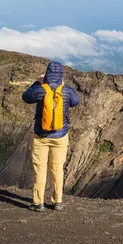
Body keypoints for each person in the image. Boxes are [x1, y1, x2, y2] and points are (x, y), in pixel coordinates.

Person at [22, 61, 80, 211]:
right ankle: (57, 201)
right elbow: (76, 101)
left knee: (40, 169)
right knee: (57, 168)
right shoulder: (65, 90)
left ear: (46, 73)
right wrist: (64, 85)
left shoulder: (40, 89)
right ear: (61, 74)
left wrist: (37, 81)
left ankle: (38, 203)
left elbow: (26, 97)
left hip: (41, 136)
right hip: (60, 136)